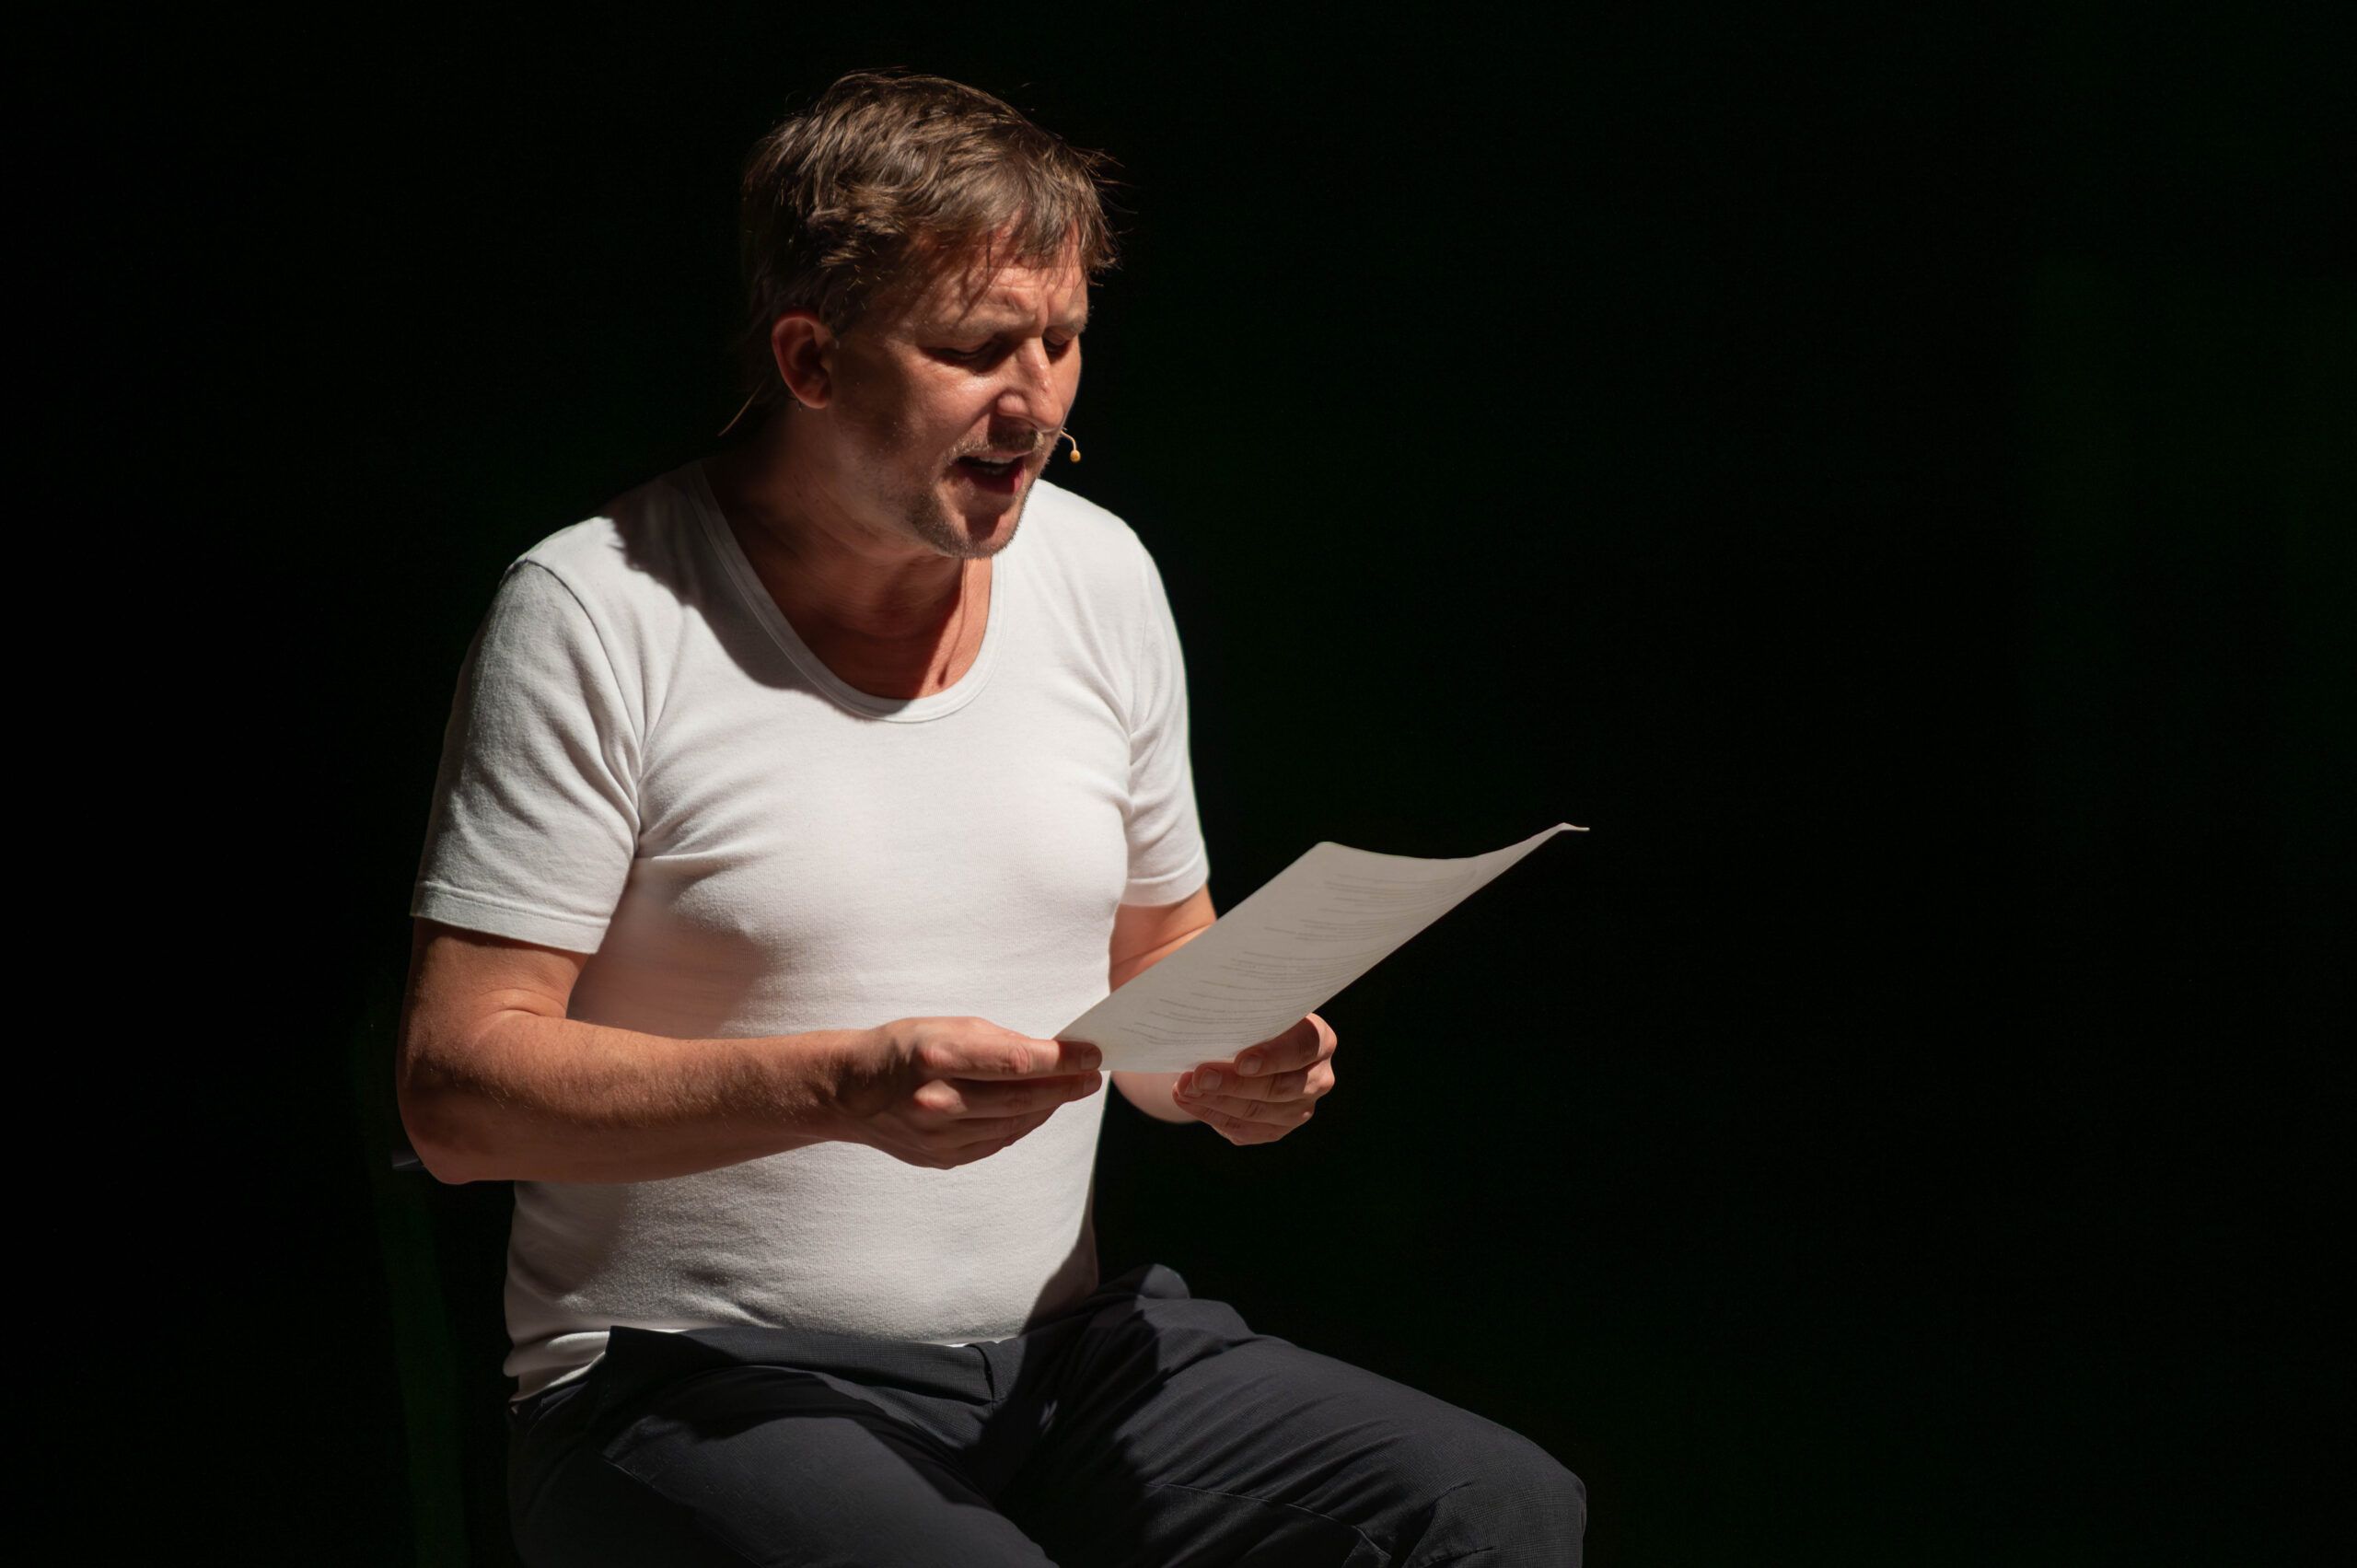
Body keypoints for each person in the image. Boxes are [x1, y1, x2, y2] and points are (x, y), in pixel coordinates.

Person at [398, 69, 1585, 1567]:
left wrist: (1225, 1062)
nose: (1034, 402)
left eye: (1062, 340)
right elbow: (456, 1094)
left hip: (1057, 1361)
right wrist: (841, 1088)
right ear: (811, 357)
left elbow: (1157, 970)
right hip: (687, 1382)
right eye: (972, 350)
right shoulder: (597, 611)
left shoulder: (1097, 575)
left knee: (1488, 1506)